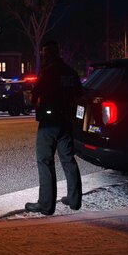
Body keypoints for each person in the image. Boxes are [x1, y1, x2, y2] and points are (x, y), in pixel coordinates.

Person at [25, 40, 82, 215]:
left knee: (45, 161)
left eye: (43, 53)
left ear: (48, 53)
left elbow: (35, 95)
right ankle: (74, 199)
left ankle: (46, 204)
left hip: (49, 123)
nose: (42, 56)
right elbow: (80, 94)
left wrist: (34, 100)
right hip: (66, 121)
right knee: (68, 160)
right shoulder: (71, 72)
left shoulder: (48, 72)